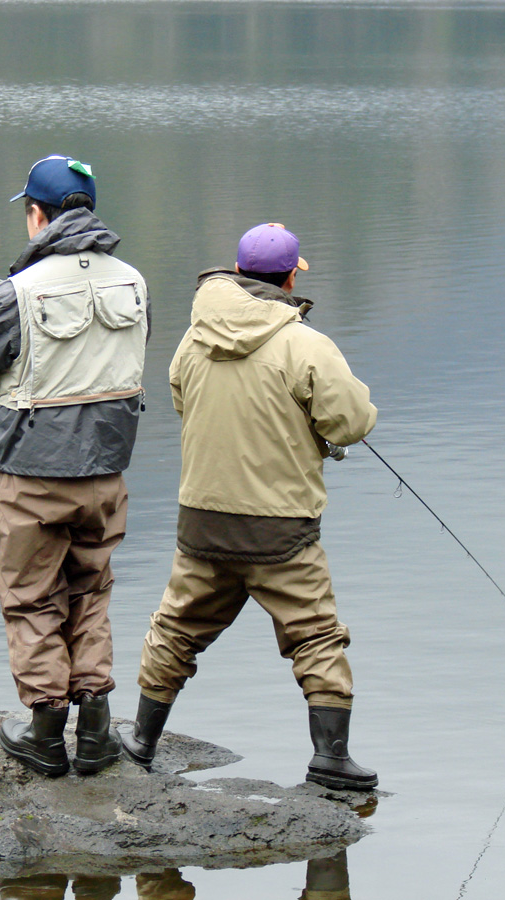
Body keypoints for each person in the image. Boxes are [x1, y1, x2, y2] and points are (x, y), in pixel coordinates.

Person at [120, 223, 379, 791]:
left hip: (202, 520)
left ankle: (140, 740)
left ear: (237, 274)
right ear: (289, 278)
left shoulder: (193, 340)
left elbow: (183, 401)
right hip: (280, 528)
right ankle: (331, 759)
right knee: (315, 636)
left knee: (177, 629)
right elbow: (351, 423)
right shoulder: (305, 343)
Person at [0, 155, 149, 778]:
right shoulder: (134, 282)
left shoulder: (17, 291)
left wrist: (12, 289)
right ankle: (95, 732)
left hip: (31, 474)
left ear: (38, 215)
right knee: (90, 591)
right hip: (107, 474)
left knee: (33, 600)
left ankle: (43, 731)